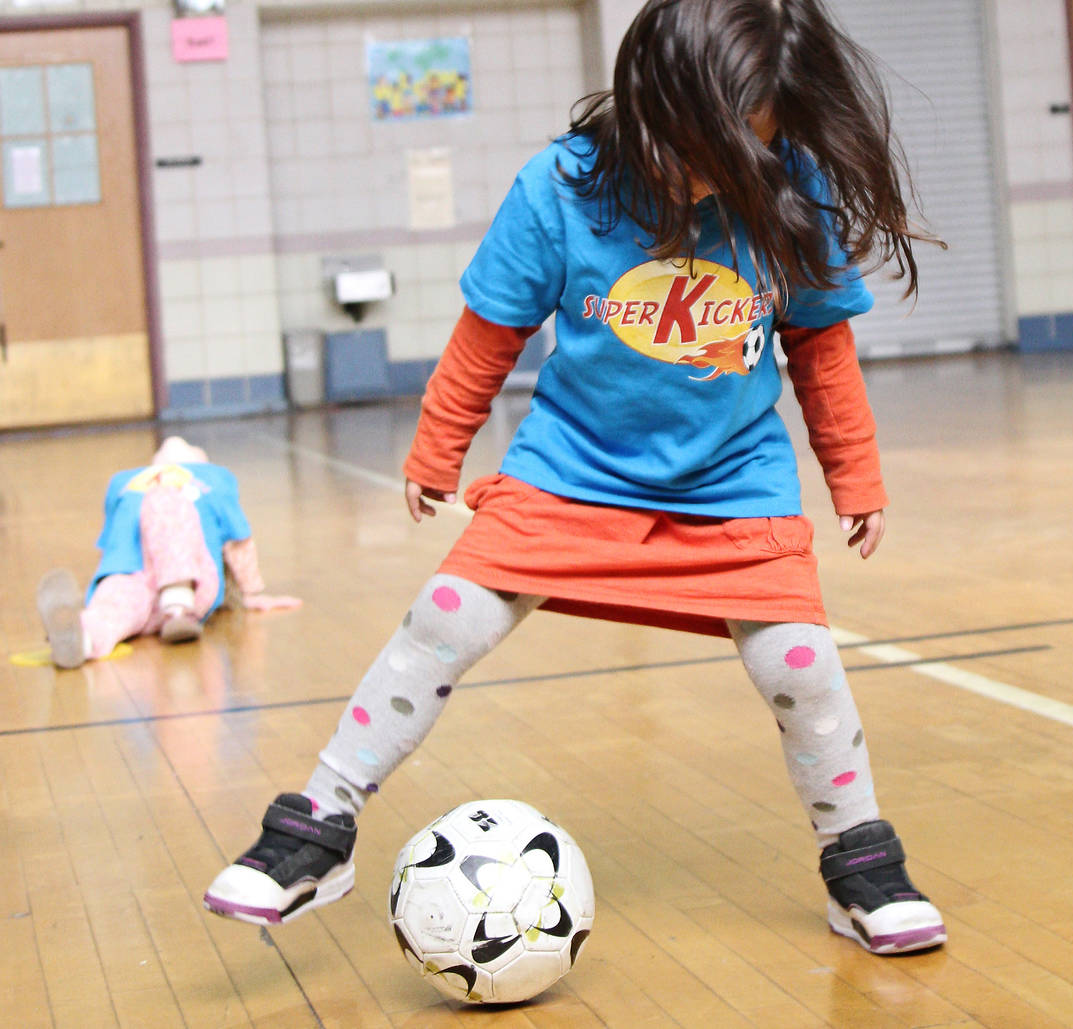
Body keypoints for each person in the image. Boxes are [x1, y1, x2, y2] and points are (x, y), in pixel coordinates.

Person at [205, 0, 947, 955]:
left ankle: (861, 865)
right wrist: (439, 447)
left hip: (732, 480)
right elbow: (488, 334)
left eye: (740, 156)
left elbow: (822, 351)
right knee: (443, 618)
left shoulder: (786, 188)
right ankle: (320, 826)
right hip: (574, 468)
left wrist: (857, 476)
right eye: (697, 151)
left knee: (800, 668)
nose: (712, 180)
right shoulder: (561, 186)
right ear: (649, 99)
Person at [36, 436, 301, 669]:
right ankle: (80, 639)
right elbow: (239, 541)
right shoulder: (215, 479)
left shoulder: (125, 483)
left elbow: (109, 545)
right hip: (155, 582)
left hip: (181, 578)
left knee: (165, 501)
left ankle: (162, 606)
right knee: (113, 608)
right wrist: (250, 592)